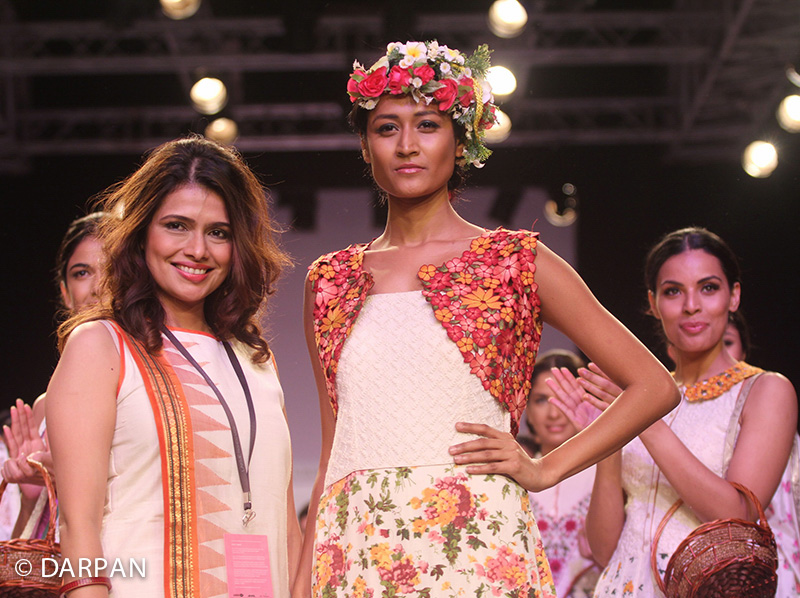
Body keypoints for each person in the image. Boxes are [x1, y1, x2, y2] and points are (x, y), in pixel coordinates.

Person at [295, 40, 679, 598]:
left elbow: (653, 386)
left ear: (461, 141)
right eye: (386, 128)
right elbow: (333, 448)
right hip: (359, 546)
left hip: (476, 543)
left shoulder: (515, 261)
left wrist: (545, 469)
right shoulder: (330, 280)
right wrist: (302, 579)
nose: (407, 145)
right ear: (365, 144)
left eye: (428, 125)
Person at [45, 136, 300, 598]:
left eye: (219, 232)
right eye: (176, 226)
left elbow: (286, 529)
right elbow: (77, 527)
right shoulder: (100, 346)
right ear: (141, 232)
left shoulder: (255, 360)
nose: (197, 249)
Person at [583, 227, 798, 597]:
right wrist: (610, 433)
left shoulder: (766, 391)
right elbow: (604, 551)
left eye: (708, 288)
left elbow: (738, 519)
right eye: (673, 291)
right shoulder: (634, 393)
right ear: (653, 303)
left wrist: (641, 417)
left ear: (734, 296)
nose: (691, 305)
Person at [2, 212, 106, 538]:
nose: (97, 288)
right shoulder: (46, 406)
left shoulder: (154, 388)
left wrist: (70, 477)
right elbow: (27, 548)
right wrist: (31, 495)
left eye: (114, 270)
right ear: (64, 291)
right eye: (82, 273)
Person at [522, 350, 601, 598]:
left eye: (564, 399)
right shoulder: (514, 482)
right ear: (527, 409)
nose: (554, 413)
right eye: (541, 400)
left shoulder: (608, 476)